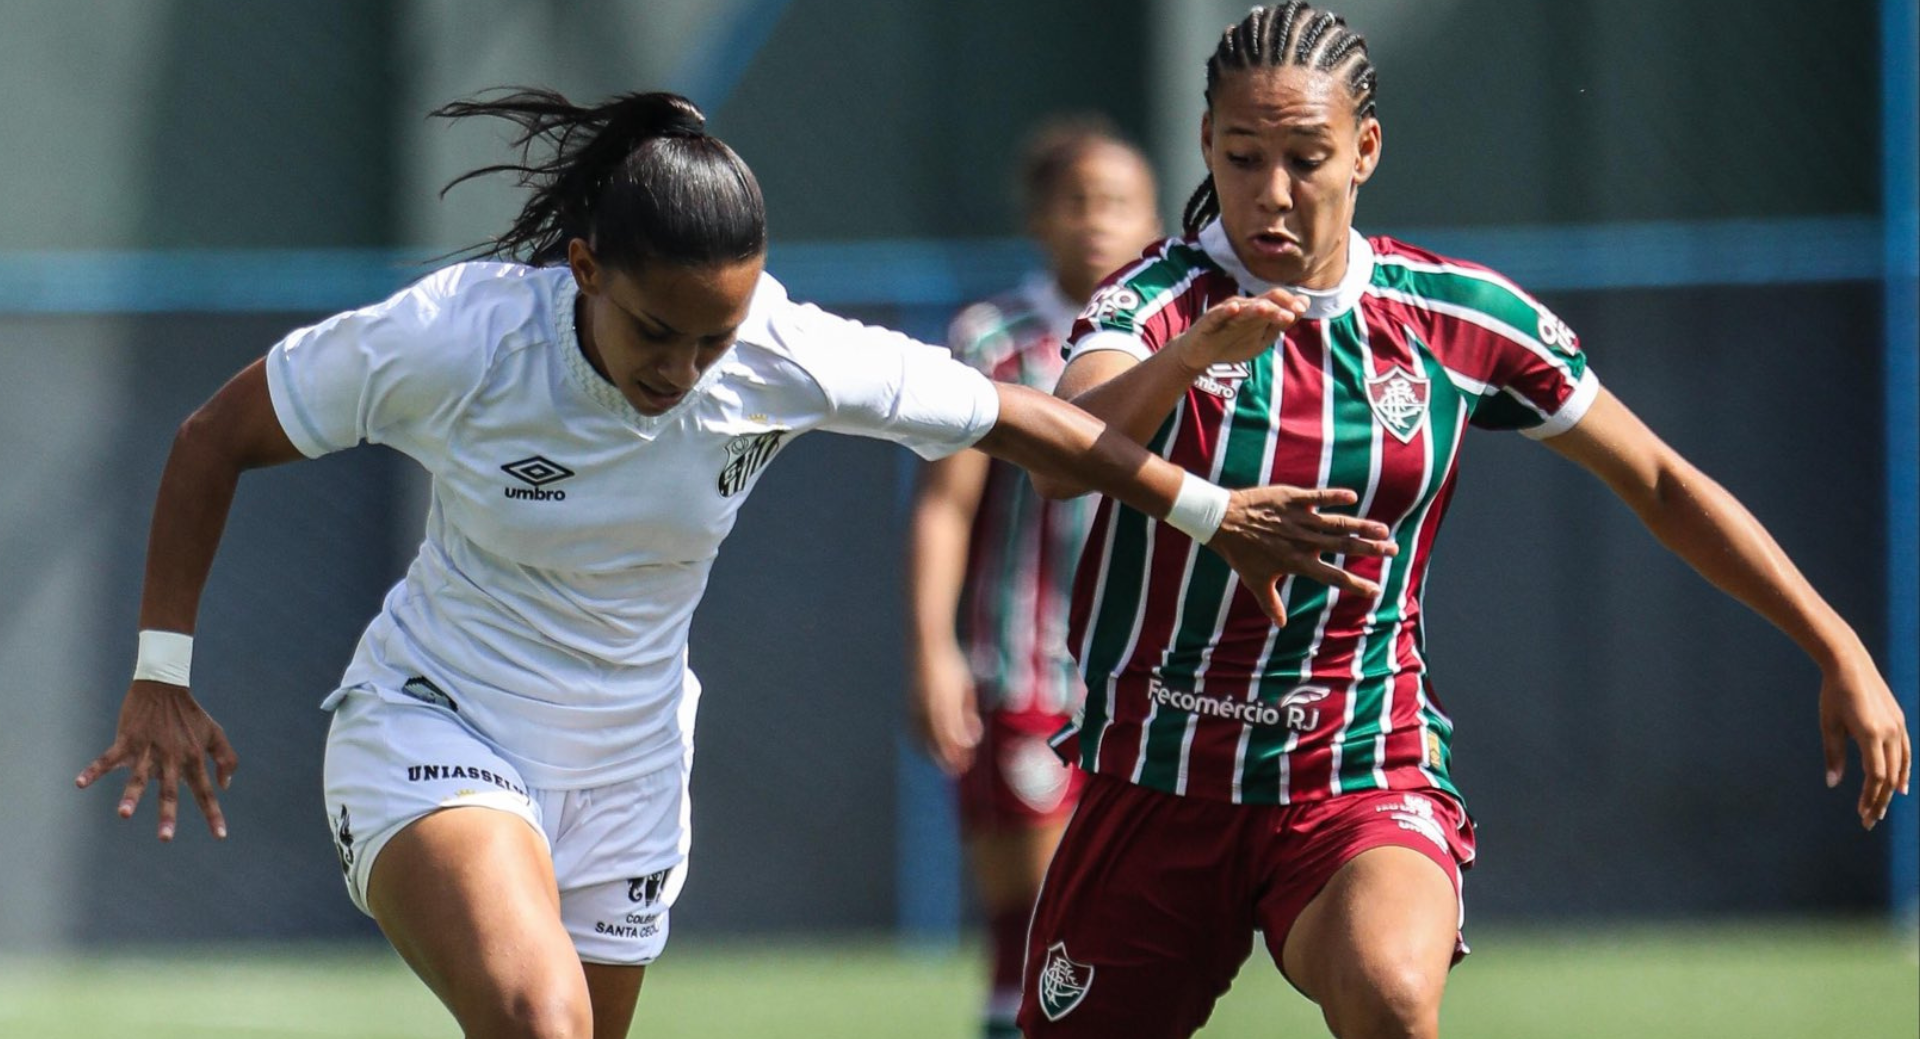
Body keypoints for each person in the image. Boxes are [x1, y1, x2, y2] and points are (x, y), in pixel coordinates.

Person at [72, 87, 1400, 1039]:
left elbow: (1037, 434)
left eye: (716, 342)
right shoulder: (456, 339)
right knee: (541, 1021)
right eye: (659, 333)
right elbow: (212, 438)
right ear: (584, 265)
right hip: (441, 721)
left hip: (633, 761)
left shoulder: (780, 353)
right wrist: (160, 670)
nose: (686, 371)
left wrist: (1208, 510)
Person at [1019, 1, 1912, 1039]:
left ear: (1366, 150)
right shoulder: (1154, 303)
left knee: (1392, 993)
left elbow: (1660, 480)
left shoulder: (1453, 319)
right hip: (1158, 771)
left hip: (1356, 764)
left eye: (1305, 158)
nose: (1271, 193)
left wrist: (1833, 640)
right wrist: (1187, 362)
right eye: (1241, 155)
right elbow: (1062, 455)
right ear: (1205, 146)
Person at [905, 117, 1161, 1039]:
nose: (1097, 221)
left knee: (1113, 924)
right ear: (1039, 220)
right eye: (1076, 201)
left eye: (1119, 203)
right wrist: (933, 650)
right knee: (1043, 913)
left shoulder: (1171, 339)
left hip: (1143, 682)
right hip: (1022, 670)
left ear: (1155, 220)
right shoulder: (996, 340)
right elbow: (946, 504)